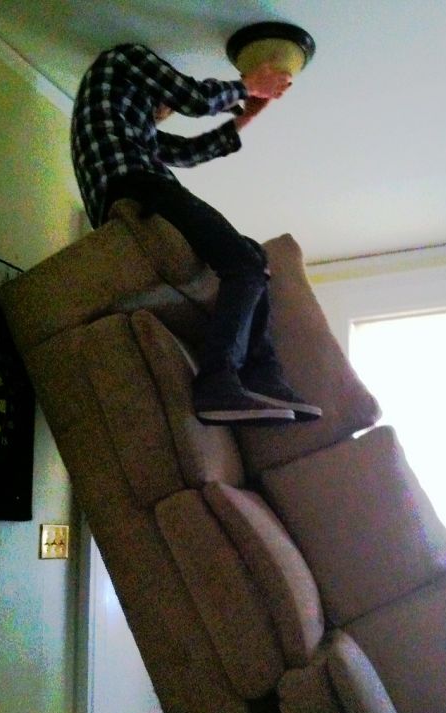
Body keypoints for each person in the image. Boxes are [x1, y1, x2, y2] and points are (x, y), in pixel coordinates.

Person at [71, 42, 322, 425]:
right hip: (138, 190)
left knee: (252, 255)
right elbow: (193, 97)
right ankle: (219, 381)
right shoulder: (123, 59)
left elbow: (190, 151)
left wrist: (247, 116)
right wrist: (250, 85)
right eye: (164, 102)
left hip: (131, 198)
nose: (167, 112)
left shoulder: (131, 129)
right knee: (242, 262)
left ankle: (262, 376)